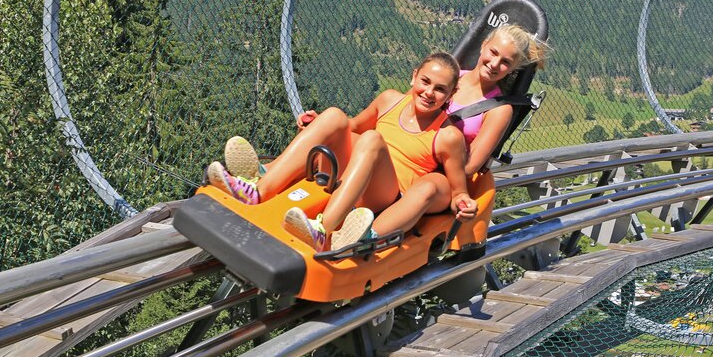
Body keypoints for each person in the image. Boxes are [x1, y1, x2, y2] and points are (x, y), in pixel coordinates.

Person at [207, 52, 478, 251]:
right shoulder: (389, 100)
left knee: (371, 139)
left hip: (383, 196)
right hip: (349, 175)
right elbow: (350, 127)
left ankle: (324, 230)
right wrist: (318, 122)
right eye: (425, 81)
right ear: (414, 75)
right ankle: (259, 189)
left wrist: (464, 204)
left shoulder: (448, 136)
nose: (429, 92)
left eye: (440, 89)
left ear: (451, 95)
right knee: (335, 115)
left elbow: (457, 191)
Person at [409, 24, 548, 251]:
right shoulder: (446, 77)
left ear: (513, 68)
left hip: (441, 176)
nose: (494, 64)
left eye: (505, 62)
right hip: (408, 152)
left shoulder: (499, 110)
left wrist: (421, 164)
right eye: (493, 53)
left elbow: (469, 167)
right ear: (483, 46)